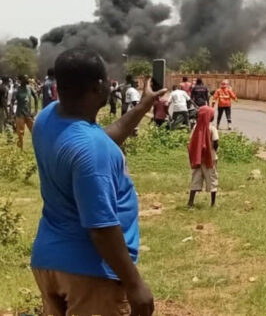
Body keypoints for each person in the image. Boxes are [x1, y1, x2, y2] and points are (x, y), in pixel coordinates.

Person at [30, 47, 165, 316]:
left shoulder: (48, 118)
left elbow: (100, 139)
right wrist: (135, 284)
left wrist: (142, 106)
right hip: (89, 273)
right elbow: (101, 228)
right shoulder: (91, 150)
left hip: (49, 261)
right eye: (105, 80)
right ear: (97, 87)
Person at [186, 105, 219, 208]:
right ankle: (213, 203)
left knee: (195, 179)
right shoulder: (212, 128)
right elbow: (216, 142)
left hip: (198, 158)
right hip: (210, 158)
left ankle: (190, 202)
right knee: (212, 179)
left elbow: (191, 142)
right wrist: (214, 150)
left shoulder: (196, 127)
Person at [12, 75, 38, 149]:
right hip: (20, 114)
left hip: (28, 114)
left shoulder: (29, 88)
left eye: (27, 78)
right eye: (25, 78)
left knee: (34, 131)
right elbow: (12, 101)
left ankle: (37, 147)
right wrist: (12, 112)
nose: (27, 79)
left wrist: (35, 110)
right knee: (20, 133)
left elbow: (36, 97)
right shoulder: (17, 90)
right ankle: (21, 149)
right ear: (21, 80)